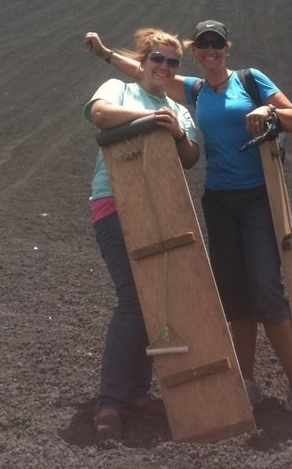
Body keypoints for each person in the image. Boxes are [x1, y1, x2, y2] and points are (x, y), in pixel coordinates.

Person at [85, 21, 292, 428]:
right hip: (216, 202)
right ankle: (245, 383)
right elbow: (142, 78)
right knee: (229, 295)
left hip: (255, 199)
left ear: (226, 47)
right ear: (195, 52)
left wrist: (268, 110)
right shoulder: (192, 91)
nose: (210, 49)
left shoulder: (247, 80)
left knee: (266, 289)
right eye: (203, 44)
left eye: (217, 43)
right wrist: (108, 55)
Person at [84, 27, 199, 441]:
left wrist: (178, 131)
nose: (165, 67)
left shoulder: (179, 110)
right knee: (134, 298)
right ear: (143, 61)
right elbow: (100, 115)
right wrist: (149, 119)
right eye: (158, 59)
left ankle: (135, 392)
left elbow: (190, 158)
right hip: (114, 202)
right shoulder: (118, 89)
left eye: (172, 62)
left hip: (161, 207)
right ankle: (109, 402)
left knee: (152, 299)